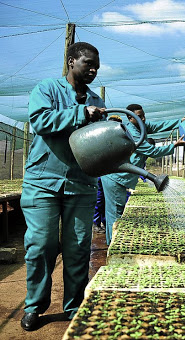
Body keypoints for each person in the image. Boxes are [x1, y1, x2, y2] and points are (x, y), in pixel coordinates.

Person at [20, 42, 107, 331]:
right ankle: (34, 306)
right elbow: (42, 121)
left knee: (78, 247)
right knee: (41, 245)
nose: (93, 69)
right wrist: (82, 114)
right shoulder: (47, 89)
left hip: (81, 183)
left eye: (96, 65)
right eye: (87, 63)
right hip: (43, 181)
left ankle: (74, 306)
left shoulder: (97, 99)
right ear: (71, 62)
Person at [101, 104, 185, 245]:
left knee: (117, 212)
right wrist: (174, 145)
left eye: (144, 115)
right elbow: (152, 151)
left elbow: (157, 126)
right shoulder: (132, 132)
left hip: (122, 176)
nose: (143, 119)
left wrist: (180, 121)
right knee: (115, 214)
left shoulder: (140, 125)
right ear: (130, 118)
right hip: (115, 178)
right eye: (139, 116)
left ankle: (113, 242)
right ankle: (112, 245)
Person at [93, 115, 124, 233]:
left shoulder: (117, 138)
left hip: (110, 174)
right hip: (99, 173)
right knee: (99, 199)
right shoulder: (101, 136)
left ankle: (106, 223)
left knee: (108, 201)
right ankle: (96, 223)